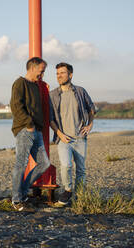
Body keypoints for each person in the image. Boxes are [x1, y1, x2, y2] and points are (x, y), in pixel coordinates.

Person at [49, 62, 96, 205]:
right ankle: (68, 191)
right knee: (66, 166)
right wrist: (59, 133)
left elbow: (91, 108)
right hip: (63, 138)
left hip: (80, 138)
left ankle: (79, 196)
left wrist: (90, 125)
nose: (59, 76)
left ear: (70, 75)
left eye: (62, 73)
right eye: (57, 73)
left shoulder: (80, 91)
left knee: (81, 169)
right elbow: (50, 119)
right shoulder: (53, 95)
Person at [10, 57, 50, 211]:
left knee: (44, 163)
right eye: (41, 71)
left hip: (36, 130)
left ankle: (22, 192)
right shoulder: (20, 83)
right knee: (21, 164)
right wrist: (29, 124)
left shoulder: (36, 85)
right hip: (25, 129)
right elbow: (16, 106)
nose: (42, 74)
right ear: (32, 68)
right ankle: (16, 200)